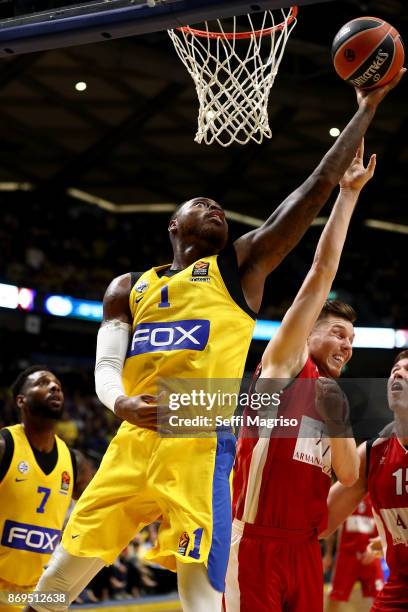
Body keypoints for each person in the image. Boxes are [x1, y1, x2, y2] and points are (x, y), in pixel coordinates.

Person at [27, 71, 404, 612]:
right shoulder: (127, 288)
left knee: (200, 598)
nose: (214, 208)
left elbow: (306, 195)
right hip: (132, 441)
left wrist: (365, 110)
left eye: (220, 208)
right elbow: (106, 366)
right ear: (173, 228)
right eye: (199, 203)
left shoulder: (237, 270)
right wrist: (119, 403)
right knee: (54, 585)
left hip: (201, 442)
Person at [224, 140, 375, 611]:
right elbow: (321, 272)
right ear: (308, 333)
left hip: (306, 548)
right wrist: (347, 195)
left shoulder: (336, 400)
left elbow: (350, 475)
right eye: (337, 333)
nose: (346, 346)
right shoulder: (287, 366)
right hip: (254, 543)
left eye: (352, 340)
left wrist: (337, 420)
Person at [322, 350, 408, 611]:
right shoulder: (373, 453)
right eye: (396, 369)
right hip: (400, 589)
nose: (398, 372)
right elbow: (320, 524)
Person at [0, 366, 92, 611]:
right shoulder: (3, 447)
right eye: (43, 383)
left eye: (58, 386)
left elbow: (99, 514)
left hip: (36, 596)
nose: (54, 387)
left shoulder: (75, 462)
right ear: (21, 400)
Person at [324, 494, 384, 610]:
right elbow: (330, 525)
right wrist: (328, 554)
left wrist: (378, 549)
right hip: (347, 554)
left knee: (382, 597)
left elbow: (388, 524)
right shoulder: (345, 491)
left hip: (371, 553)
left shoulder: (377, 491)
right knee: (335, 596)